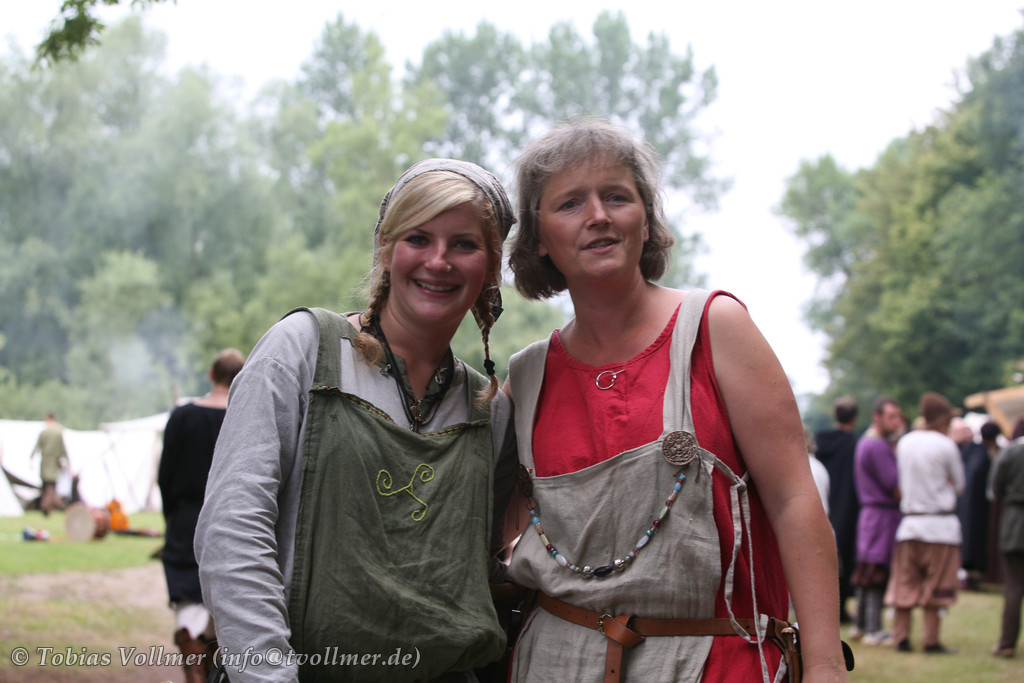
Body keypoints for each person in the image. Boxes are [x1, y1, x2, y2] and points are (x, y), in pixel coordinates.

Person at [503, 119, 848, 683]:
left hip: (715, 664)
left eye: (617, 196)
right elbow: (493, 531)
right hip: (553, 664)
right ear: (539, 239)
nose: (598, 215)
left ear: (645, 221)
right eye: (570, 203)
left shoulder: (716, 328)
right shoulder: (526, 379)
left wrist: (826, 666)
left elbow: (794, 500)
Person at [195, 159, 517, 682]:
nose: (438, 261)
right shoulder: (303, 350)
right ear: (387, 248)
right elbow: (233, 529)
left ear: (491, 266)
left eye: (464, 244)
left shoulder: (488, 409)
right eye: (418, 238)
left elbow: (480, 565)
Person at [159, 347, 245, 683]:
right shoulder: (245, 416)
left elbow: (166, 475)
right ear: (241, 377)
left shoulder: (183, 417)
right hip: (235, 520)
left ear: (211, 374)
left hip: (188, 518)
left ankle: (193, 657)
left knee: (189, 599)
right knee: (228, 603)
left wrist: (172, 517)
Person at [885, 391, 966, 654]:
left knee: (904, 583)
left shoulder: (906, 442)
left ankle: (901, 637)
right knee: (937, 586)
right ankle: (931, 640)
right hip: (940, 527)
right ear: (942, 420)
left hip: (909, 525)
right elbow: (960, 485)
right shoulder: (946, 445)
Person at [850, 396, 903, 646]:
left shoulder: (865, 442)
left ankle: (861, 625)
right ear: (877, 417)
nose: (897, 421)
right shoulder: (878, 446)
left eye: (898, 416)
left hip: (871, 516)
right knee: (876, 573)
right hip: (881, 516)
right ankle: (873, 629)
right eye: (892, 416)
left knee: (867, 571)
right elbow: (895, 485)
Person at [815, 396, 861, 624]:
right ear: (854, 418)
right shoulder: (854, 445)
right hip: (846, 508)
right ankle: (840, 608)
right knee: (843, 559)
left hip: (821, 506)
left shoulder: (819, 444)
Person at [989, 418, 1024, 658]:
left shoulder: (1010, 452)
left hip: (1015, 522)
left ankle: (1007, 643)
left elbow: (995, 488)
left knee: (1013, 587)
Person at [955, 420, 1000, 589]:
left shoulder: (972, 451)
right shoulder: (980, 453)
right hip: (976, 508)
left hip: (969, 506)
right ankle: (968, 576)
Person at [31, 412, 68, 516]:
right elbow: (64, 449)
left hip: (45, 463)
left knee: (47, 487)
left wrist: (31, 459)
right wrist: (65, 460)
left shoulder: (44, 432)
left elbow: (37, 447)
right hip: (55, 463)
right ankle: (48, 506)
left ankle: (46, 506)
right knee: (51, 487)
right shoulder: (60, 431)